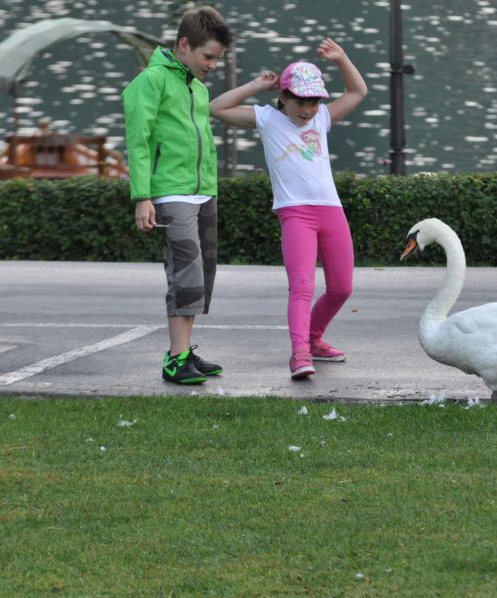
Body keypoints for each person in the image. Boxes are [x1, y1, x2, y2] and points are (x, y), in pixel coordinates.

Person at [210, 37, 368, 379]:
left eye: (313, 101)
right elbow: (217, 107)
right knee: (302, 286)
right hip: (295, 213)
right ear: (283, 96)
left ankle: (313, 339)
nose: (307, 109)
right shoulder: (266, 118)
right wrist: (255, 85)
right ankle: (299, 355)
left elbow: (357, 93)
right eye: (300, 101)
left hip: (331, 211)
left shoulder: (322, 118)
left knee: (342, 288)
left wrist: (341, 58)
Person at [122, 6, 232, 385]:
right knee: (184, 276)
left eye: (218, 59)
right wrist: (143, 196)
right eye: (209, 57)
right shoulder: (150, 82)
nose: (213, 65)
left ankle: (183, 352)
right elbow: (138, 142)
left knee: (201, 278)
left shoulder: (196, 87)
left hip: (203, 192)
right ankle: (175, 359)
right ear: (184, 45)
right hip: (171, 192)